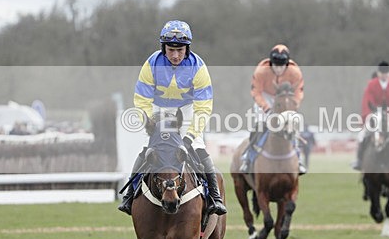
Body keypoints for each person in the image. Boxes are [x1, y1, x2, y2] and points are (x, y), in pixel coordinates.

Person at [118, 20, 226, 216]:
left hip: (186, 110)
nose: (175, 55)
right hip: (157, 110)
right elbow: (142, 100)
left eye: (180, 50)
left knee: (199, 148)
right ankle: (129, 195)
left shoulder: (198, 67)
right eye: (171, 50)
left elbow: (203, 108)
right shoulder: (151, 63)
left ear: (187, 48)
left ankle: (215, 198)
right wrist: (151, 124)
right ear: (163, 48)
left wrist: (188, 138)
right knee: (147, 149)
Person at [239, 44, 306, 174]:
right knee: (259, 126)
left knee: (292, 127)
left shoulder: (295, 72)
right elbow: (256, 92)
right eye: (275, 65)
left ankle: (299, 159)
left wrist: (293, 106)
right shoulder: (261, 71)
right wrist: (267, 108)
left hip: (286, 99)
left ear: (286, 65)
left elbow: (298, 92)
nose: (278, 69)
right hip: (266, 97)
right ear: (270, 63)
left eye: (281, 66)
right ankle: (248, 159)